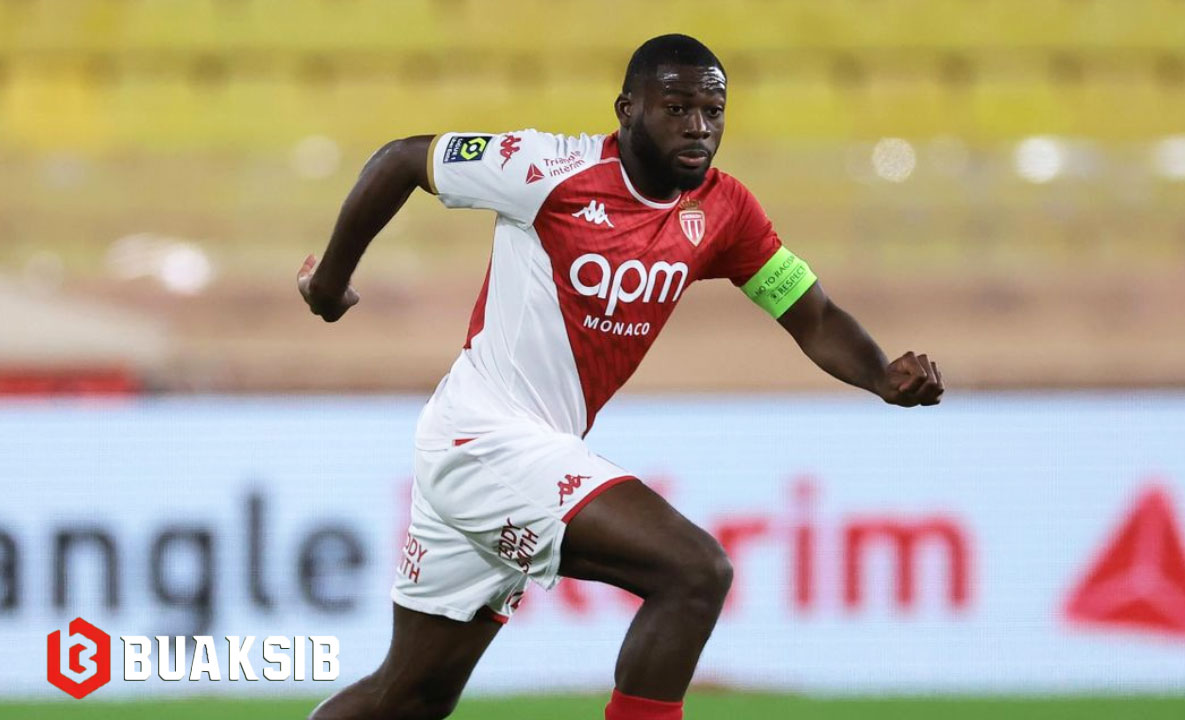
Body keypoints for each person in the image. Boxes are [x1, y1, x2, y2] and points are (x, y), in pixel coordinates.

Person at [298, 33, 943, 720]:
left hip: (508, 451)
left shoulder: (724, 211)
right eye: (677, 108)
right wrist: (330, 284)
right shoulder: (547, 169)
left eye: (713, 111)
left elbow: (811, 315)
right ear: (628, 109)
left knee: (409, 698)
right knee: (694, 572)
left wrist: (880, 376)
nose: (699, 128)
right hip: (484, 437)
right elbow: (403, 159)